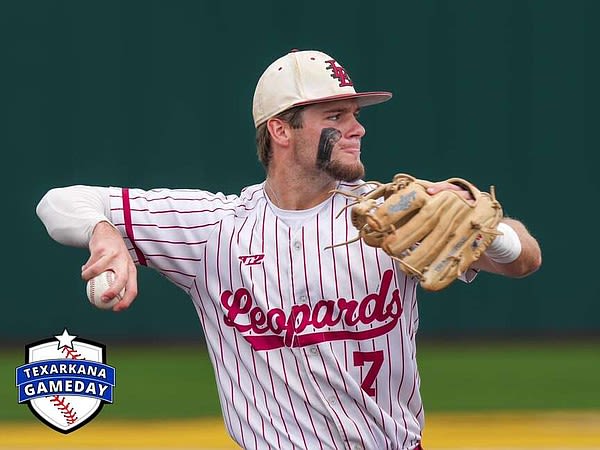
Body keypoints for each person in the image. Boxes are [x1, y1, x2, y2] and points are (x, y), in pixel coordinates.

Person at [36, 49, 542, 450]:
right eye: (335, 115)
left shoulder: (393, 215)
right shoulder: (217, 229)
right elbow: (58, 204)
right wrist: (105, 232)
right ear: (281, 129)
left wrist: (490, 232)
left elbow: (525, 261)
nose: (357, 127)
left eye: (356, 115)